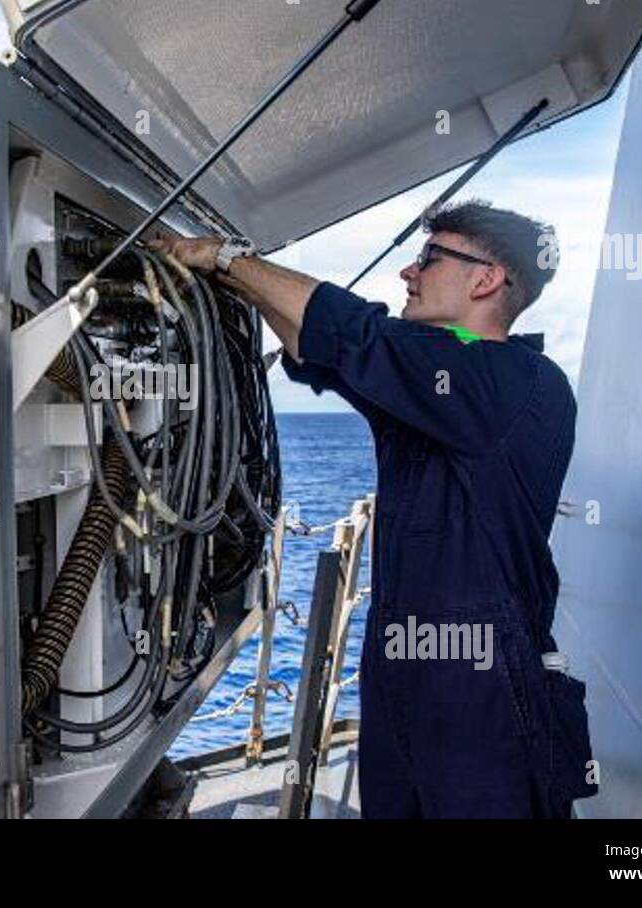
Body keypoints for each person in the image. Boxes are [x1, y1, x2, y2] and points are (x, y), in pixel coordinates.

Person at [152, 200, 596, 818]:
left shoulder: (517, 381)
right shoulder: (432, 387)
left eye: (430, 258)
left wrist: (227, 258)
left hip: (487, 687)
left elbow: (361, 334)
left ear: (486, 279)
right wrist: (237, 285)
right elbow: (329, 348)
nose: (408, 273)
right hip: (404, 672)